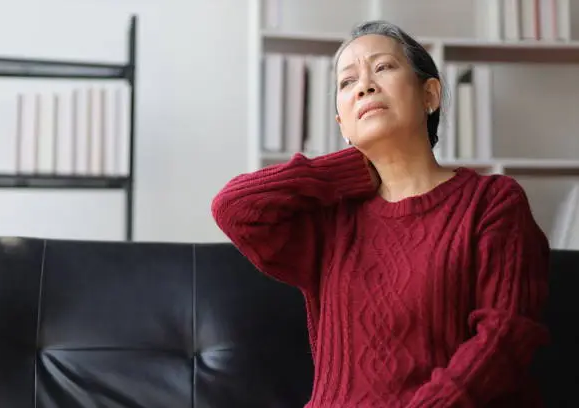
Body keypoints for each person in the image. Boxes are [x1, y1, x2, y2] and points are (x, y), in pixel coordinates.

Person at [211, 20, 550, 408]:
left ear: (430, 94)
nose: (365, 86)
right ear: (342, 124)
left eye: (384, 67)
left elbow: (506, 335)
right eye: (347, 82)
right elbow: (234, 207)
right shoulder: (330, 222)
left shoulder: (491, 201)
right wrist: (348, 168)